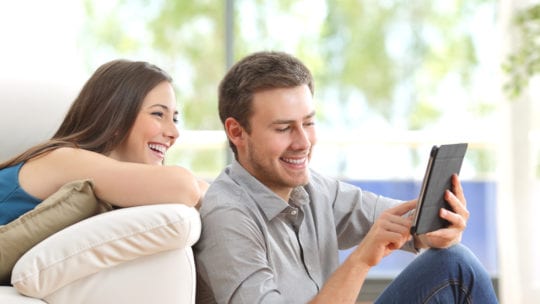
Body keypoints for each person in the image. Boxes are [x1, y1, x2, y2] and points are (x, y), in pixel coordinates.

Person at [194, 51, 498, 303]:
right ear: (236, 132)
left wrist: (435, 229)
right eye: (284, 128)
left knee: (453, 260)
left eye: (308, 123)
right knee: (458, 266)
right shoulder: (228, 216)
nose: (303, 142)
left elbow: (403, 221)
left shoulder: (313, 189)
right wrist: (361, 259)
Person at [0, 59, 208, 225]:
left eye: (175, 118)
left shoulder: (103, 183)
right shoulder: (65, 159)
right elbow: (183, 186)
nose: (174, 132)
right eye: (158, 114)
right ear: (115, 118)